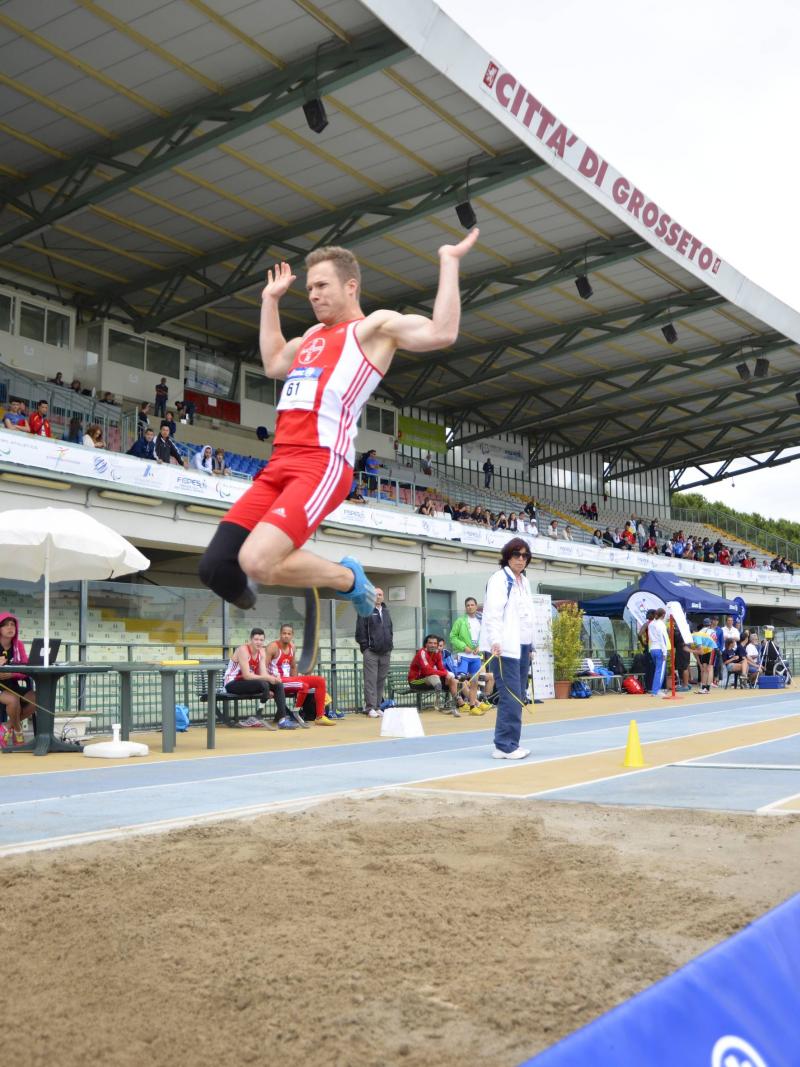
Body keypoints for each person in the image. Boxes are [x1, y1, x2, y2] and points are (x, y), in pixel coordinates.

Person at [198, 229, 479, 615]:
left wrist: (449, 262)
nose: (313, 294)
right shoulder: (312, 336)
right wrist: (269, 301)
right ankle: (270, 589)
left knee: (256, 561)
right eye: (309, 287)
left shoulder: (371, 330)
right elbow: (274, 361)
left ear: (351, 286)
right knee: (215, 568)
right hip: (279, 463)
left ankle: (348, 578)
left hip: (321, 463)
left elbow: (441, 332)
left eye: (322, 285)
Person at [479, 537, 535, 760]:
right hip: (505, 648)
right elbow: (493, 613)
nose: (520, 560)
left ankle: (511, 742)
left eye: (524, 556)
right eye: (516, 555)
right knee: (510, 695)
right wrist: (495, 641)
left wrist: (531, 645)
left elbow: (528, 616)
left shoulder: (525, 582)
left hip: (522, 647)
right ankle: (504, 744)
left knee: (519, 695)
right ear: (507, 556)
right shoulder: (500, 579)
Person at [267, 623, 332, 727]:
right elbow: (263, 668)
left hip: (289, 680)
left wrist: (295, 679)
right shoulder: (273, 647)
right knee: (303, 685)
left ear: (292, 635)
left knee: (320, 680)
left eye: (289, 634)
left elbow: (293, 667)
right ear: (280, 634)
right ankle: (295, 713)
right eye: (284, 633)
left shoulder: (292, 646)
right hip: (277, 681)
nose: (286, 636)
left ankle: (320, 716)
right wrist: (268, 687)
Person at [222, 627, 287, 728]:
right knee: (263, 684)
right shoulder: (243, 650)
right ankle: (258, 716)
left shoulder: (262, 652)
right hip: (232, 683)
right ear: (250, 640)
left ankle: (282, 719)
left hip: (249, 683)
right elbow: (247, 675)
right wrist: (267, 683)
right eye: (256, 639)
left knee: (278, 684)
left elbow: (263, 674)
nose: (259, 642)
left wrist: (273, 679)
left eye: (261, 640)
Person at [355, 587, 393, 718]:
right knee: (370, 680)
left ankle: (377, 706)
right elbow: (360, 631)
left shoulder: (386, 611)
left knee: (381, 680)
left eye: (381, 594)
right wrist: (365, 647)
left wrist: (389, 646)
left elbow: (390, 630)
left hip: (385, 652)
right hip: (371, 651)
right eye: (376, 594)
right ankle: (370, 707)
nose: (379, 597)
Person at [0, 612, 34, 748]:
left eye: (12, 625)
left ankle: (6, 727)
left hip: (13, 685)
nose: (10, 628)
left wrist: (12, 674)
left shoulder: (18, 645)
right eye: (6, 625)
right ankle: (18, 730)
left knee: (38, 698)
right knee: (13, 700)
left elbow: (26, 670)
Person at [408, 633, 464, 715]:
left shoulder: (437, 653)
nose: (432, 645)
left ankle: (455, 706)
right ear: (426, 644)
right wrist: (445, 673)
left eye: (435, 643)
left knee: (452, 680)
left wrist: (447, 675)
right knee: (435, 676)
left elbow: (441, 668)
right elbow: (427, 671)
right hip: (415, 681)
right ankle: (438, 705)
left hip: (429, 680)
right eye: (430, 643)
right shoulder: (422, 653)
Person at [436, 638, 491, 714]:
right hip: (442, 679)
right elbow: (437, 669)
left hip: (451, 676)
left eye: (440, 646)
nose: (438, 648)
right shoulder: (433, 655)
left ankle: (479, 702)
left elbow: (453, 666)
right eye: (437, 646)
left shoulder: (447, 653)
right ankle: (465, 704)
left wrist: (457, 675)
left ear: (444, 646)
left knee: (462, 681)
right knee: (460, 682)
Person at [647, 608, 669, 695]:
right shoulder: (661, 624)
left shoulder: (651, 624)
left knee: (657, 670)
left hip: (653, 648)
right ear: (663, 615)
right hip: (660, 648)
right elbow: (662, 638)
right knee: (660, 670)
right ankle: (656, 690)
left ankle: (655, 690)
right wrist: (664, 652)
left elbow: (650, 636)